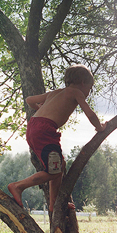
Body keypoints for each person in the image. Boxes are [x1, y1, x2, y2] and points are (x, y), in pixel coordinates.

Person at [8, 64, 106, 212]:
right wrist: (100, 127)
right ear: (83, 83)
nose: (88, 93)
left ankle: (54, 204)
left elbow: (29, 100)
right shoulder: (76, 92)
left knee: (59, 166)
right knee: (53, 170)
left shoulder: (55, 93)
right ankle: (18, 186)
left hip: (34, 127)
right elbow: (90, 114)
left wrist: (41, 109)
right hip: (45, 131)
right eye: (90, 88)